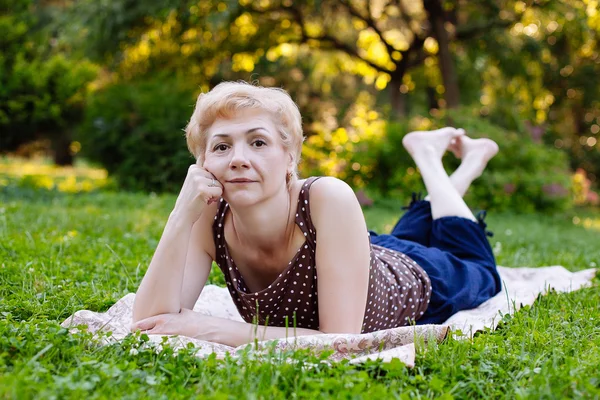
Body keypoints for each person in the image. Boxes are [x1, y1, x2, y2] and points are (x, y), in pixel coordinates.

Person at [130, 81, 502, 347]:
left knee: (478, 266)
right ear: (203, 163)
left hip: (420, 278)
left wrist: (207, 327)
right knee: (413, 232)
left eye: (258, 142)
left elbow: (339, 340)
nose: (239, 158)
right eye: (222, 146)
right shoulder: (208, 215)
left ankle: (430, 157)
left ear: (290, 156)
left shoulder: (326, 197)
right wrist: (181, 214)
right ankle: (467, 161)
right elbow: (149, 318)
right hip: (361, 251)